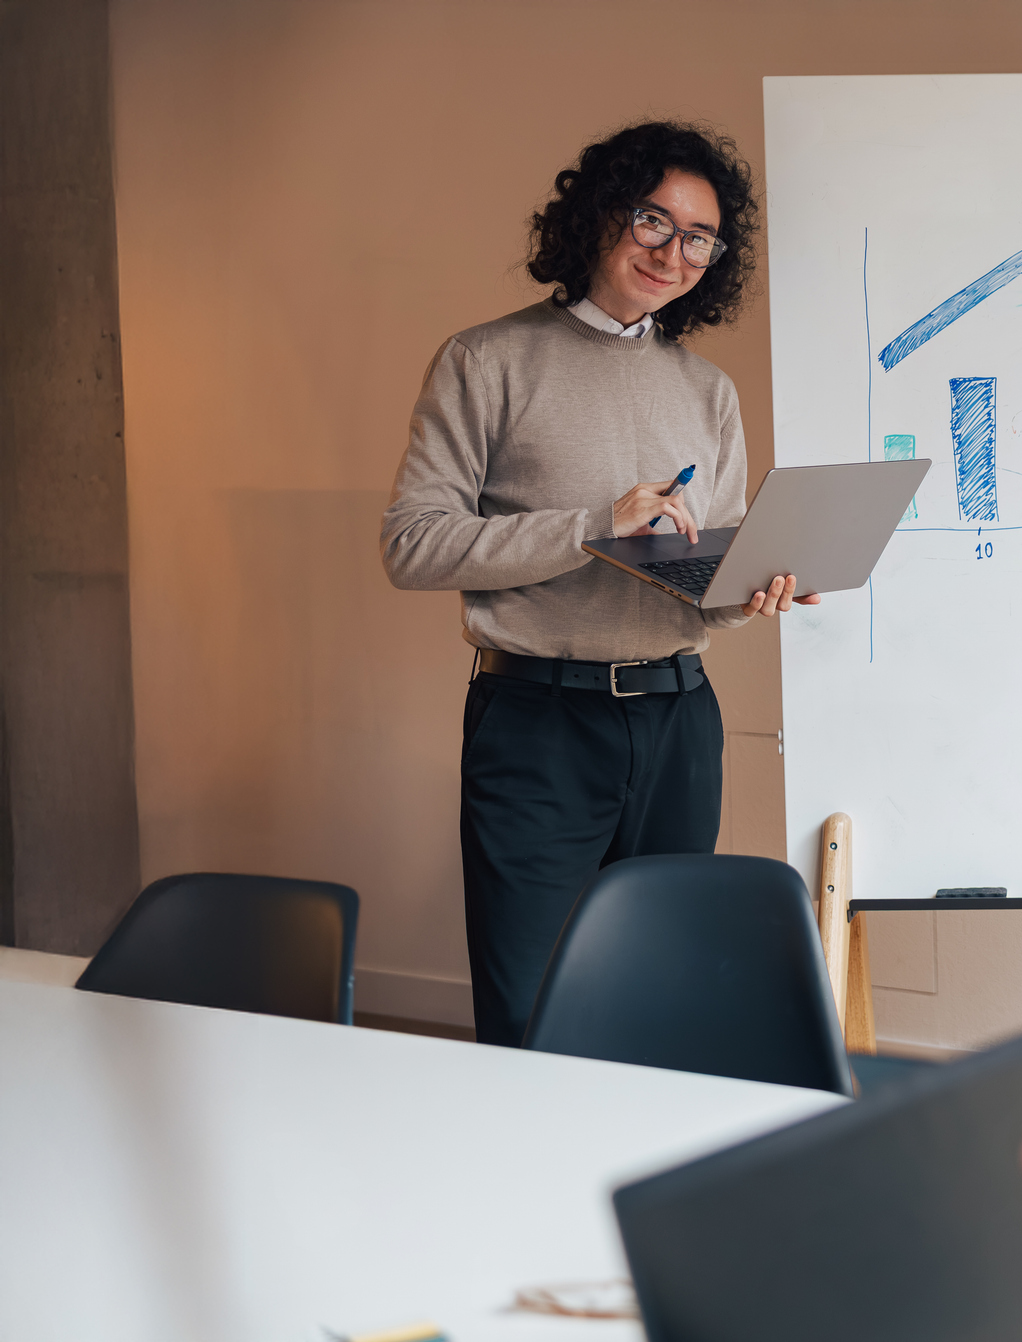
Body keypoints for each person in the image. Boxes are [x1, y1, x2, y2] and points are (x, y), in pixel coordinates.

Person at [381, 122, 813, 1047]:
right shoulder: (484, 361)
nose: (675, 252)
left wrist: (756, 587)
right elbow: (413, 546)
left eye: (699, 237)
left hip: (679, 720)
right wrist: (592, 527)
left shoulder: (708, 391)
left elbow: (703, 583)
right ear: (596, 217)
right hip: (539, 723)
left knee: (665, 994)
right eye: (653, 220)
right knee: (532, 1009)